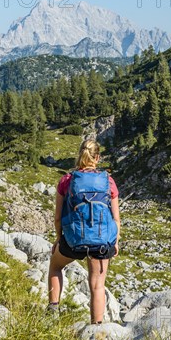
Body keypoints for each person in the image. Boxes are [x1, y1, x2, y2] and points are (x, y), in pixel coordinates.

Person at [47, 139, 121, 324]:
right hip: (101, 242)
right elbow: (116, 218)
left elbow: (57, 217)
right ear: (97, 157)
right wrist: (115, 242)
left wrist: (59, 239)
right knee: (97, 285)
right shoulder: (108, 181)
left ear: (80, 154)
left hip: (73, 240)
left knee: (55, 266)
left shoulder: (67, 180)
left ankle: (53, 311)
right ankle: (96, 329)